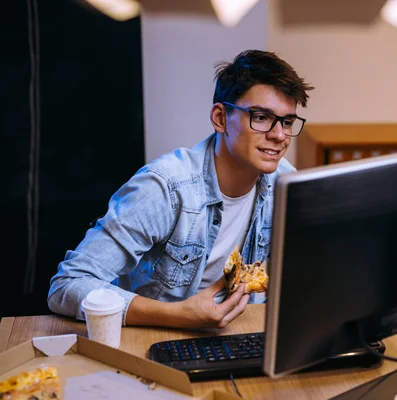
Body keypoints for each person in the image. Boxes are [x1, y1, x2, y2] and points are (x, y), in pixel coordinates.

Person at [47, 50, 314, 330]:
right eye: (261, 117)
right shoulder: (164, 188)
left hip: (238, 334)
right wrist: (178, 315)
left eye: (287, 122)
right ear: (221, 118)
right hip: (156, 338)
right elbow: (68, 285)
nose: (280, 136)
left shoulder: (284, 182)